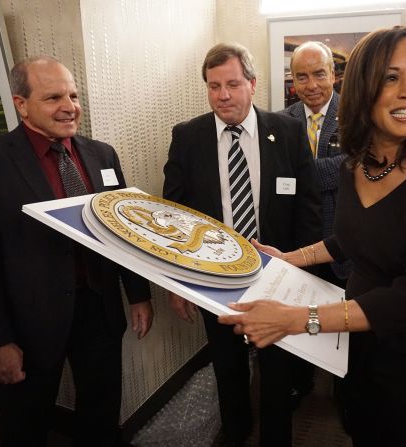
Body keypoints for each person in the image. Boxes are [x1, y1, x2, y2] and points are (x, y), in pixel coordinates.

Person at [219, 27, 406, 446]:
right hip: (362, 333)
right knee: (363, 429)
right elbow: (346, 239)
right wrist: (288, 258)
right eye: (390, 78)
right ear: (363, 88)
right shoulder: (353, 165)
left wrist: (297, 320)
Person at [0, 56, 153, 447]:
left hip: (99, 309)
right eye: (53, 97)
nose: (70, 106)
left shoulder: (102, 155)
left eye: (74, 95)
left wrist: (139, 295)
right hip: (29, 323)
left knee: (101, 412)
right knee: (26, 423)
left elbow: (125, 230)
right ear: (21, 104)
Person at [163, 42, 321, 445]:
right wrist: (175, 283)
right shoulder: (187, 137)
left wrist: (299, 270)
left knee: (277, 370)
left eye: (232, 84)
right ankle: (234, 433)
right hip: (214, 280)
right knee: (228, 368)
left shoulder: (286, 131)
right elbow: (174, 219)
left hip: (277, 276)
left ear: (252, 84)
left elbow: (307, 205)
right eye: (213, 86)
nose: (223, 95)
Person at [281, 41, 349, 287]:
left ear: (332, 74)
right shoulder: (279, 123)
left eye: (319, 74)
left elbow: (354, 167)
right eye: (302, 77)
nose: (311, 85)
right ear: (293, 80)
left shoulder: (357, 117)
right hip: (295, 251)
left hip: (343, 253)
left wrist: (298, 174)